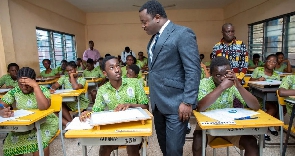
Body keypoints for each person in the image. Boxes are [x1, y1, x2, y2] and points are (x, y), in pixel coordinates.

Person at [139, 1, 200, 155]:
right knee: (165, 147)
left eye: (144, 21)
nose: (143, 26)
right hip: (158, 104)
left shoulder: (182, 33)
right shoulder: (154, 39)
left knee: (173, 150)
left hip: (176, 104)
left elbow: (193, 70)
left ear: (157, 17)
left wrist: (188, 101)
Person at [79, 56, 149, 156]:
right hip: (114, 129)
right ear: (105, 73)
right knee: (104, 148)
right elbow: (97, 110)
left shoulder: (134, 83)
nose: (117, 70)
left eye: (118, 66)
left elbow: (146, 107)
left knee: (132, 146)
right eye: (111, 68)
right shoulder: (103, 90)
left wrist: (130, 105)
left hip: (134, 127)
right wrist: (88, 113)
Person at [192, 56, 259, 156]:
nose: (223, 78)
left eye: (226, 74)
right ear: (211, 73)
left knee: (252, 143)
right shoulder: (203, 84)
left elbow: (255, 106)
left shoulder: (232, 83)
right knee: (197, 143)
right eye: (218, 75)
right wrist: (222, 87)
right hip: (207, 127)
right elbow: (201, 107)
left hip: (229, 126)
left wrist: (239, 86)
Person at [0, 67, 58, 156]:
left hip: (45, 122)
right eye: (20, 84)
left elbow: (44, 107)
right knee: (10, 146)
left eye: (27, 84)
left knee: (40, 144)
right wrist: (1, 111)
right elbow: (1, 105)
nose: (24, 87)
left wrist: (35, 86)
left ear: (33, 81)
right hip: (24, 124)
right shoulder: (15, 91)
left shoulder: (42, 89)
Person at [249, 54, 280, 141]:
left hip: (271, 97)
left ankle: (270, 126)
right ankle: (263, 129)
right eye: (269, 61)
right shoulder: (258, 70)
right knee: (273, 108)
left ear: (276, 64)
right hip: (257, 97)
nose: (271, 63)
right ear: (265, 62)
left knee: (280, 107)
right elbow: (249, 82)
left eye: (274, 62)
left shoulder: (276, 75)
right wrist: (257, 80)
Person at [50, 61, 89, 126]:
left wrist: (72, 76)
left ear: (76, 69)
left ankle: (71, 123)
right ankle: (70, 123)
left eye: (71, 70)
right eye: (67, 71)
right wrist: (53, 89)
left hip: (79, 102)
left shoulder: (81, 79)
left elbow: (76, 87)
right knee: (56, 106)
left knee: (59, 106)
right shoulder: (64, 78)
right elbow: (55, 85)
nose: (69, 72)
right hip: (68, 102)